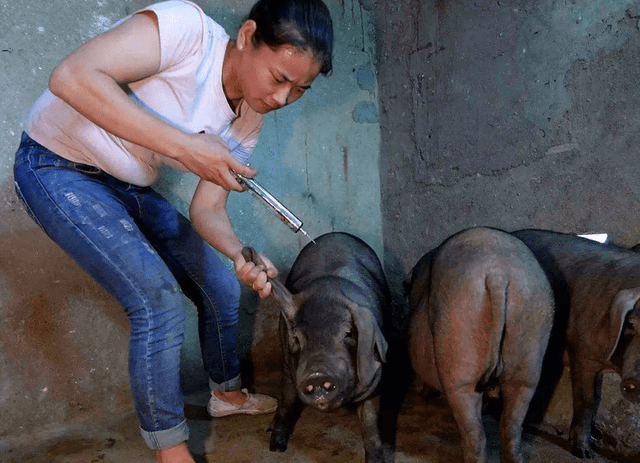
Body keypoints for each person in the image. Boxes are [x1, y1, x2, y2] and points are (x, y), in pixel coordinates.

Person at [12, 0, 333, 461]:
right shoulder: (187, 31)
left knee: (221, 284)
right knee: (157, 298)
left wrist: (238, 252)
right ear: (246, 37)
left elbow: (208, 209)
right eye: (280, 78)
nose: (282, 98)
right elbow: (70, 77)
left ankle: (226, 395)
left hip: (124, 184)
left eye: (300, 89)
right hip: (56, 164)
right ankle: (172, 451)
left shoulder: (249, 120)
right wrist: (187, 148)